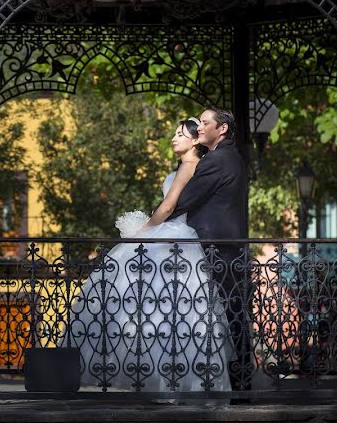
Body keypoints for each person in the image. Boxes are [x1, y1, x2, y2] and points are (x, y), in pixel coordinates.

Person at [67, 118, 232, 397]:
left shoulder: (190, 166)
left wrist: (143, 231)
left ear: (195, 141)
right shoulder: (186, 166)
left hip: (173, 235)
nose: (173, 138)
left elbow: (168, 206)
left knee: (163, 306)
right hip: (176, 234)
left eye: (180, 134)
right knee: (163, 308)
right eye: (174, 133)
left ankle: (165, 378)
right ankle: (165, 377)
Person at [161, 106, 249, 391]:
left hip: (215, 250)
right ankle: (234, 381)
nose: (199, 127)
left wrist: (151, 226)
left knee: (217, 318)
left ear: (221, 129)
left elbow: (184, 200)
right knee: (224, 317)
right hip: (226, 250)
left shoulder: (216, 161)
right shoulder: (230, 157)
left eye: (205, 123)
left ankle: (225, 382)